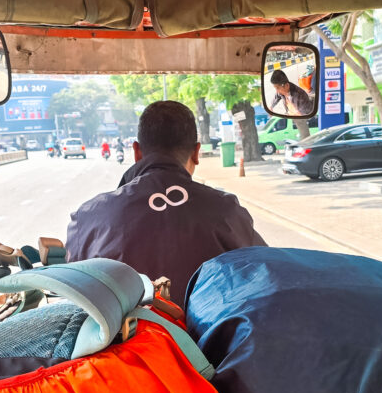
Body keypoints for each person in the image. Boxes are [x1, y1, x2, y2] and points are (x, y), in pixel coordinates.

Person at [66, 101, 266, 290]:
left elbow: (76, 285)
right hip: (210, 327)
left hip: (124, 327)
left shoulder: (90, 216)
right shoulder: (227, 210)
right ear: (196, 153)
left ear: (137, 152)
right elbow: (263, 270)